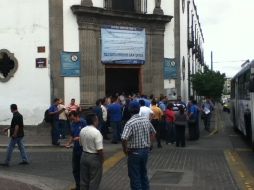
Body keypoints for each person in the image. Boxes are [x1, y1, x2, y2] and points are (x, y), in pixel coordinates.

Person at [121, 101, 156, 190]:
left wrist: (125, 149)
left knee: (134, 175)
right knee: (143, 173)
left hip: (134, 152)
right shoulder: (145, 120)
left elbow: (124, 138)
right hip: (145, 151)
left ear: (129, 110)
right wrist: (150, 144)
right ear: (139, 109)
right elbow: (153, 132)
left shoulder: (130, 123)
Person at [79, 113, 104, 190]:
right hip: (94, 157)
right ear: (94, 121)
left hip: (84, 155)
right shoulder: (96, 132)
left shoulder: (82, 130)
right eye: (97, 120)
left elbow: (81, 144)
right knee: (94, 180)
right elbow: (99, 149)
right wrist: (102, 159)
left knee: (84, 180)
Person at [65, 111, 87, 190]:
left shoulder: (84, 123)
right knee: (75, 169)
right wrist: (68, 143)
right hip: (76, 149)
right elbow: (72, 135)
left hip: (83, 149)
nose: (72, 121)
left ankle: (84, 186)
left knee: (83, 169)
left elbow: (88, 135)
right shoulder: (72, 124)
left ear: (77, 116)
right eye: (71, 120)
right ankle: (78, 186)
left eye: (73, 119)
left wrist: (79, 138)